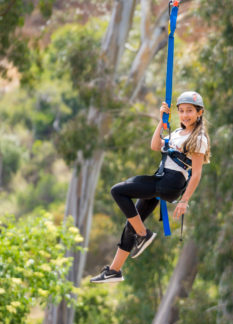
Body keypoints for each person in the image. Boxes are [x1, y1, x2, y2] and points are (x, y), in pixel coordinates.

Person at [90, 91, 210, 283]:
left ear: (199, 113)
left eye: (190, 111)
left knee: (118, 191)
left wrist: (184, 201)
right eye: (181, 111)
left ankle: (143, 234)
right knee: (133, 221)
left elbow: (196, 174)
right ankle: (115, 270)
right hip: (161, 179)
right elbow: (155, 145)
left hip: (170, 183)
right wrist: (161, 121)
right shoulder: (178, 133)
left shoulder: (199, 138)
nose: (185, 115)